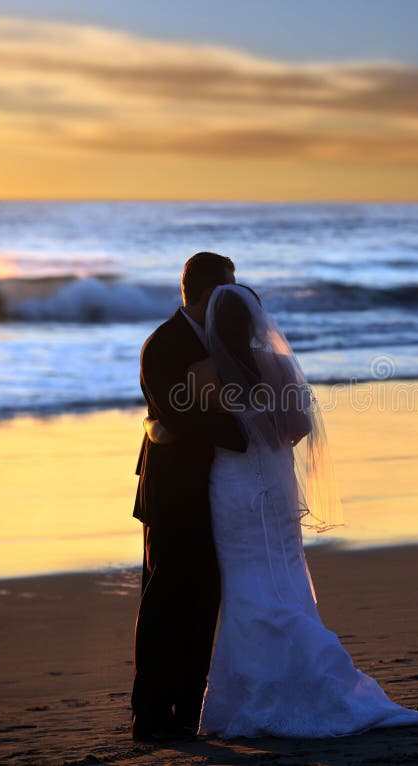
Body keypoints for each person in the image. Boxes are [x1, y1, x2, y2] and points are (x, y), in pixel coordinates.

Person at [144, 282, 418, 738]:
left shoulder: (205, 371)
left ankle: (254, 691)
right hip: (278, 483)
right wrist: (267, 435)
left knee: (244, 582)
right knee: (282, 571)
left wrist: (165, 424)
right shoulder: (280, 365)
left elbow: (175, 425)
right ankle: (309, 663)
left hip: (233, 487)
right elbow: (299, 427)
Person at [130, 252, 247, 742]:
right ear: (201, 294)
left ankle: (186, 710)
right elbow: (174, 416)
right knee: (164, 601)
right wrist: (237, 432)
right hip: (172, 494)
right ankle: (149, 713)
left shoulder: (226, 341)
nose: (233, 298)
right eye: (225, 290)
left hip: (217, 493)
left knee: (204, 603)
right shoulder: (162, 344)